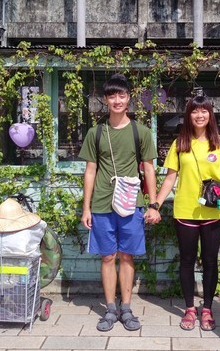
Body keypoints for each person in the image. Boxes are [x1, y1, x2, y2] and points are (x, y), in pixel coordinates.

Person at [154, 94, 220, 331]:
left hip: (214, 212)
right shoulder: (180, 144)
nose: (199, 115)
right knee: (186, 261)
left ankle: (207, 309)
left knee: (209, 262)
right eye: (195, 111)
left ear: (210, 114)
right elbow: (170, 178)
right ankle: (188, 309)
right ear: (188, 115)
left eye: (204, 111)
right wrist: (155, 203)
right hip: (185, 210)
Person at [79, 73, 161, 332]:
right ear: (105, 100)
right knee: (107, 257)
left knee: (127, 256)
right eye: (112, 95)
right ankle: (110, 309)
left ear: (129, 98)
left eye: (122, 95)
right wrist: (86, 207)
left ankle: (126, 308)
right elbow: (90, 171)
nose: (117, 100)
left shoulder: (142, 132)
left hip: (131, 203)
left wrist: (153, 203)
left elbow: (149, 170)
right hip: (102, 204)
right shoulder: (96, 132)